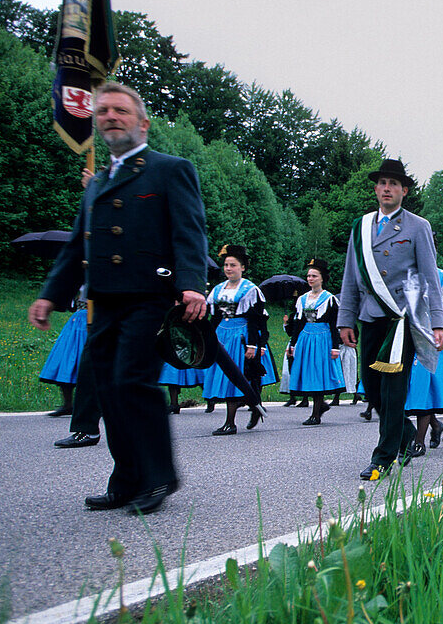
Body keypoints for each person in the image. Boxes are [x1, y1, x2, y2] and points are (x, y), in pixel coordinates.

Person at [29, 81, 207, 514]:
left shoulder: (169, 168)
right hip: (103, 300)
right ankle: (126, 479)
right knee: (107, 389)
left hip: (149, 297)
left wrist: (192, 284)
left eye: (120, 111)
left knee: (133, 382)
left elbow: (189, 231)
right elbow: (77, 246)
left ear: (142, 123)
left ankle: (157, 477)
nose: (110, 116)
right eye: (103, 110)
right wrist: (51, 295)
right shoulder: (98, 182)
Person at [337, 159, 443, 480]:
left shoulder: (417, 226)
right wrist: (345, 319)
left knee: (393, 390)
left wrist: (438, 323)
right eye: (382, 183)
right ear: (375, 188)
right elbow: (349, 278)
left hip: (402, 321)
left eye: (394, 184)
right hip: (370, 317)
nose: (387, 188)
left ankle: (383, 459)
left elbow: (429, 278)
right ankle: (405, 432)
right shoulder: (360, 226)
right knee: (371, 389)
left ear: (404, 190)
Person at [202, 244, 277, 435]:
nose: (228, 268)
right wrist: (207, 337)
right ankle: (254, 405)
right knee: (226, 375)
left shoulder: (250, 289)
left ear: (242, 267)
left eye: (233, 265)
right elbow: (215, 317)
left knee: (237, 375)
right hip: (222, 334)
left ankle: (231, 422)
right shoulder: (218, 289)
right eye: (226, 265)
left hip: (240, 335)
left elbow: (255, 320)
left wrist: (253, 344)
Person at [404, 266, 443, 457]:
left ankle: (419, 442)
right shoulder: (404, 271)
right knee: (409, 391)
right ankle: (435, 424)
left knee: (423, 390)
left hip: (432, 341)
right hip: (405, 338)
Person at [286, 258, 344, 426]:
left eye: (314, 276)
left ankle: (315, 414)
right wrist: (293, 343)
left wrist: (335, 346)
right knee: (308, 373)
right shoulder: (302, 299)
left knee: (318, 373)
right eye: (309, 276)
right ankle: (320, 406)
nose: (310, 279)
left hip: (322, 338)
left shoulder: (329, 299)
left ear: (322, 278)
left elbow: (334, 325)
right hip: (306, 337)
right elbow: (298, 323)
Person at [38, 290, 89, 417]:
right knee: (66, 362)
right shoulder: (82, 275)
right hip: (78, 319)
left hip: (94, 320)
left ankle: (94, 406)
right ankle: (68, 404)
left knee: (89, 364)